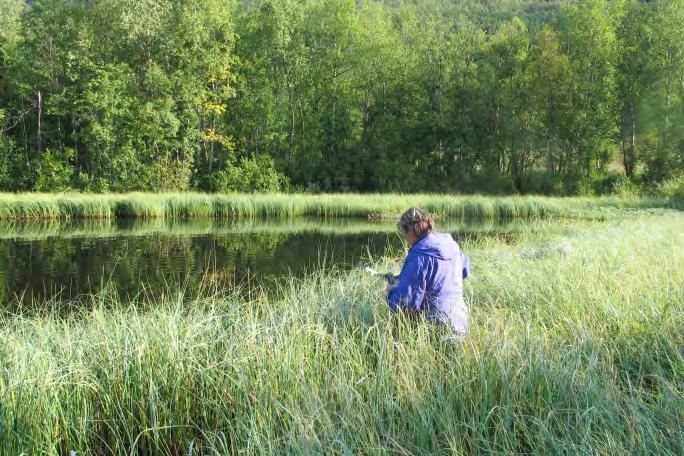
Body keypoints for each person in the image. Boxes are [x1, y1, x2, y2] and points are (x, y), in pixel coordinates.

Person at [387, 208, 470, 340]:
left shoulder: (419, 255)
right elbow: (464, 271)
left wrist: (392, 291)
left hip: (436, 326)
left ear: (411, 230)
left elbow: (406, 304)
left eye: (403, 232)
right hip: (460, 321)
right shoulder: (452, 245)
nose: (404, 238)